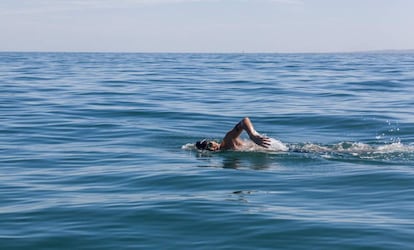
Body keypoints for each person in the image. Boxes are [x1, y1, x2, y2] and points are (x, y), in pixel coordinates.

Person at [195, 117, 271, 151]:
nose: (212, 148)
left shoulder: (228, 139)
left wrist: (252, 135)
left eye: (210, 144)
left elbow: (244, 120)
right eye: (208, 148)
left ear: (213, 141)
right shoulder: (226, 151)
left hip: (267, 144)